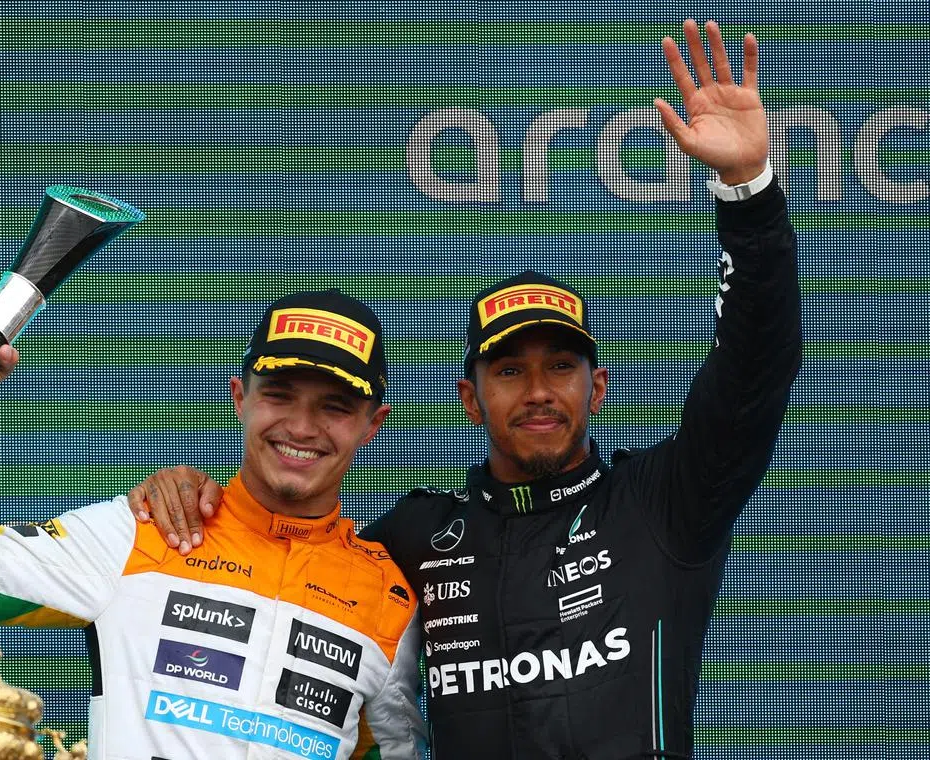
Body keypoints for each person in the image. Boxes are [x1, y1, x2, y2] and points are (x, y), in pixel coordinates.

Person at [126, 19, 802, 760]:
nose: (539, 391)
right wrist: (191, 492)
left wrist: (749, 194)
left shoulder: (665, 504)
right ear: (470, 400)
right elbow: (285, 550)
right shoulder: (413, 541)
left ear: (598, 388)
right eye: (510, 371)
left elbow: (753, 371)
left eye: (561, 367)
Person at [0, 288, 427, 760]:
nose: (302, 427)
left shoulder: (389, 597)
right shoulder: (141, 530)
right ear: (240, 398)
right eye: (279, 395)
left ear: (372, 424)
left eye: (334, 406)